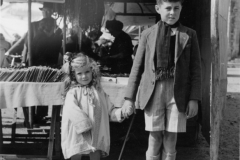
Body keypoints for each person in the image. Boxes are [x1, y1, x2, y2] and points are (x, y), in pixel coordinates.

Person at [121, 0, 202, 160]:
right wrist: (129, 98)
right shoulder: (147, 34)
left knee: (171, 139)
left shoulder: (189, 34)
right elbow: (137, 68)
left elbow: (196, 70)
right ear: (158, 9)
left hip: (177, 92)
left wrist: (194, 98)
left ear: (181, 9)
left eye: (176, 8)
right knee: (155, 137)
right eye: (168, 8)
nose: (172, 12)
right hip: (154, 91)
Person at [61, 53, 133, 160]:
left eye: (87, 72)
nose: (84, 76)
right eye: (79, 73)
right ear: (73, 75)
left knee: (95, 151)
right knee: (76, 151)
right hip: (78, 131)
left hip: (97, 130)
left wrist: (122, 112)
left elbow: (109, 109)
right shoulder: (73, 92)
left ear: (92, 71)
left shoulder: (99, 92)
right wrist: (83, 124)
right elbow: (71, 109)